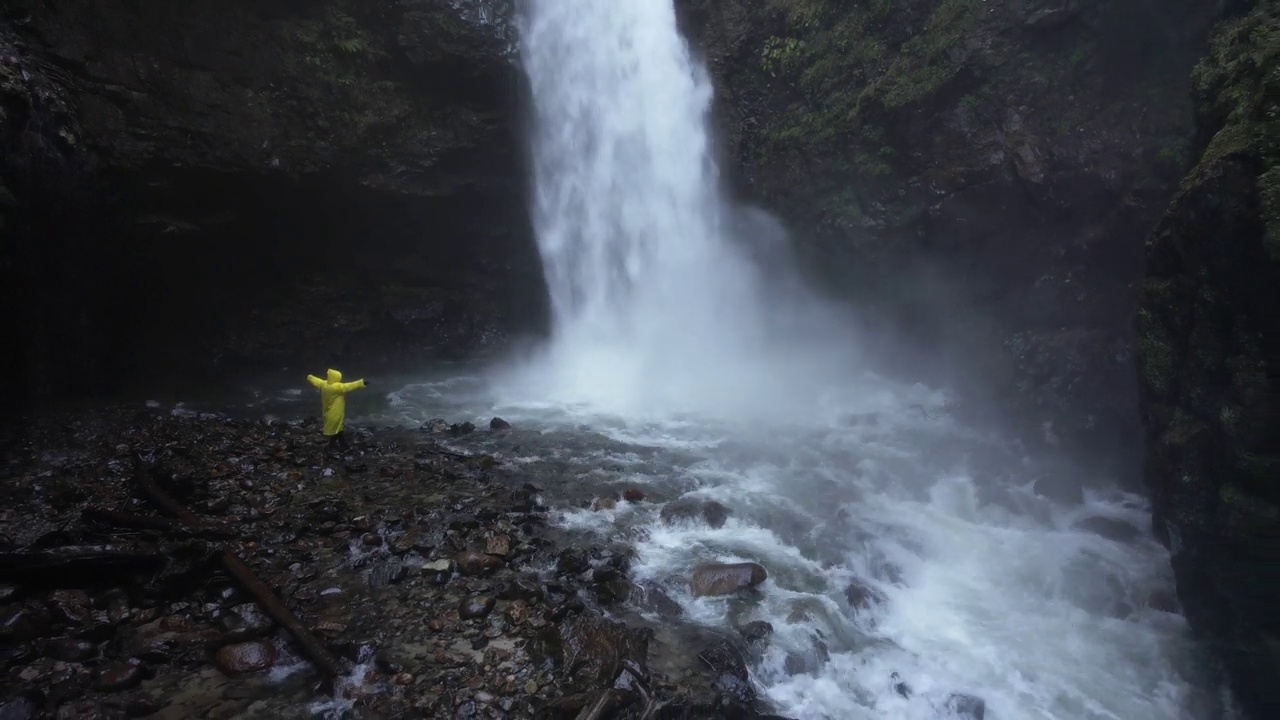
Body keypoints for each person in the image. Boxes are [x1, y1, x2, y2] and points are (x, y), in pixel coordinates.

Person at [306, 368, 369, 449]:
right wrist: (362, 383)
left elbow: (316, 381)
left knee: (338, 428)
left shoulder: (324, 384)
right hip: (336, 412)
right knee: (336, 429)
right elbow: (350, 386)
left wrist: (310, 377)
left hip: (328, 411)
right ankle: (332, 445)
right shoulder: (337, 387)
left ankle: (342, 444)